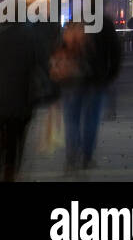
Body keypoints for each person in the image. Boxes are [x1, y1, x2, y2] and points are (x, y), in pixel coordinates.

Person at [51, 17, 123, 172]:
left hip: (71, 79)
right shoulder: (105, 23)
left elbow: (59, 48)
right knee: (91, 119)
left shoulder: (74, 21)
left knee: (71, 120)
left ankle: (71, 159)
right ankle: (87, 157)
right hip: (95, 80)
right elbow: (116, 51)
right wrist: (110, 75)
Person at [0, 21, 52, 182]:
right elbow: (43, 64)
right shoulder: (30, 34)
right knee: (17, 133)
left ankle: (7, 163)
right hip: (20, 96)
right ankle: (10, 168)